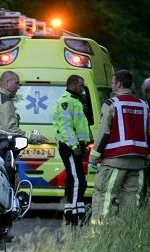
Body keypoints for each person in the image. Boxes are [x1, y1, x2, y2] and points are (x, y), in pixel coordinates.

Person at [89, 70, 150, 225]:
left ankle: (99, 235)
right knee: (132, 201)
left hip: (114, 161)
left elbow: (103, 133)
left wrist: (94, 157)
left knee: (104, 197)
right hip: (139, 163)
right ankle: (127, 237)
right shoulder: (144, 106)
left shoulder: (111, 104)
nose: (111, 85)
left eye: (112, 82)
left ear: (118, 84)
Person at [53, 75, 90, 226]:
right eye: (81, 86)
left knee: (74, 178)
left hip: (76, 146)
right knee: (77, 179)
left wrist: (84, 144)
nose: (82, 89)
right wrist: (75, 146)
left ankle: (73, 210)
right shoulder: (66, 102)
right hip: (69, 147)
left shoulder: (76, 101)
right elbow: (66, 128)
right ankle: (74, 214)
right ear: (73, 85)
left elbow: (81, 125)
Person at [0, 70, 48, 144]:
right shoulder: (5, 101)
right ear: (8, 83)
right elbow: (9, 130)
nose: (18, 87)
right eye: (16, 83)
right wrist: (34, 137)